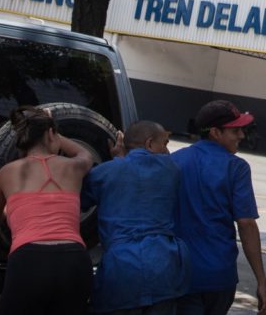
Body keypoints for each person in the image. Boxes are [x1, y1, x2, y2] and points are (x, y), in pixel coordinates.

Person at [0, 106, 94, 315]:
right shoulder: (73, 167)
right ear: (51, 134)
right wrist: (52, 130)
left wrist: (4, 207)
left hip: (29, 260)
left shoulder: (6, 173)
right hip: (73, 259)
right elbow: (85, 153)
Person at [172, 100, 266, 315]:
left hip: (179, 274)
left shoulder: (174, 161)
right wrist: (261, 280)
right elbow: (246, 224)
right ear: (215, 132)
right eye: (235, 131)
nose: (241, 136)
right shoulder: (236, 167)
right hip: (218, 277)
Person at [81, 120, 189, 315]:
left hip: (121, 268)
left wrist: (117, 161)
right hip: (164, 267)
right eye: (164, 144)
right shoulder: (171, 169)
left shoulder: (104, 173)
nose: (167, 151)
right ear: (149, 144)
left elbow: (80, 202)